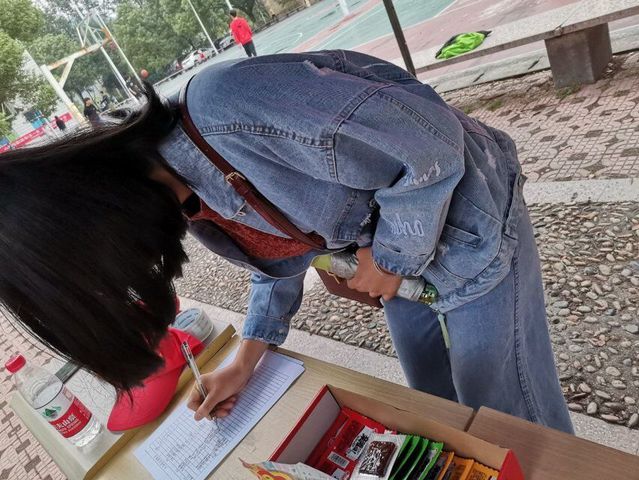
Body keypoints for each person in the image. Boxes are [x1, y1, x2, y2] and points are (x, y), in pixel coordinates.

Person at [0, 50, 573, 434]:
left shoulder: (229, 107)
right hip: (397, 264)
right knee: (430, 399)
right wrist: (247, 358)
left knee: (507, 412)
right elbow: (274, 250)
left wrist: (392, 256)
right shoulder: (173, 194)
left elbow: (430, 144)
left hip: (470, 231)